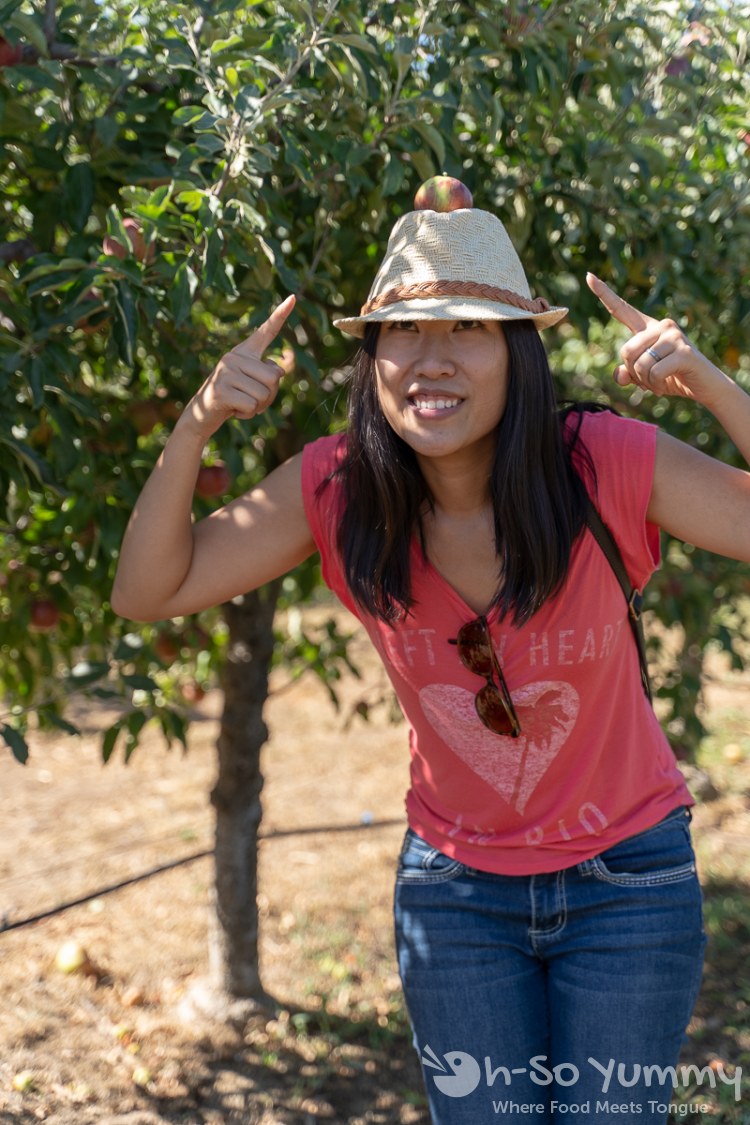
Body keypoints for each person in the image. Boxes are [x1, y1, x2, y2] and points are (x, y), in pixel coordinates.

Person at [111, 195, 750, 1125]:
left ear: (516, 355)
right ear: (373, 358)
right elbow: (146, 592)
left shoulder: (600, 462)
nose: (433, 358)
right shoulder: (338, 488)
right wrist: (197, 423)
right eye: (404, 331)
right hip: (456, 900)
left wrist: (715, 386)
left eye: (468, 330)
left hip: (628, 886)